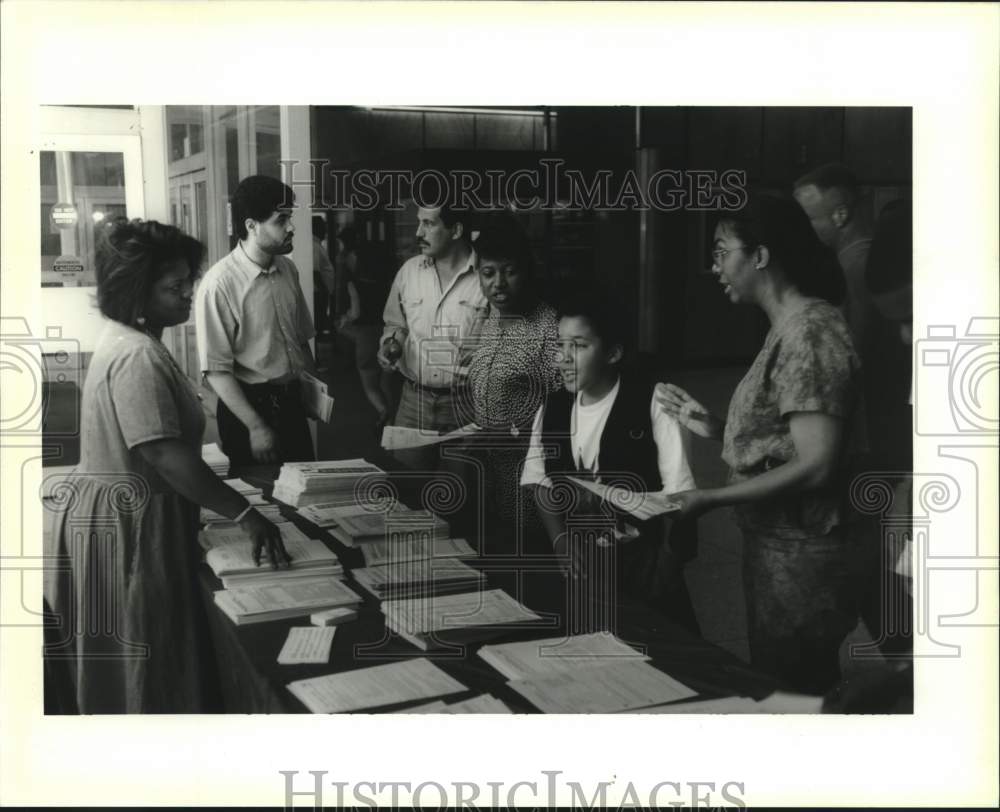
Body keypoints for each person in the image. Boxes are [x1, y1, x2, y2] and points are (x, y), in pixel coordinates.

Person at [44, 219, 290, 714]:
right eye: (173, 286)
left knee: (133, 652)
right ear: (137, 293)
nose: (187, 294)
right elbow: (165, 455)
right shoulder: (137, 355)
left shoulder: (131, 339)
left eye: (188, 281)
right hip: (130, 523)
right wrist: (246, 515)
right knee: (145, 647)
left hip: (118, 511)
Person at [656, 193, 863, 694]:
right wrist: (720, 425)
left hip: (801, 553)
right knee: (783, 682)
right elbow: (788, 438)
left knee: (792, 690)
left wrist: (709, 497)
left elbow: (815, 464)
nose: (715, 266)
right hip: (780, 548)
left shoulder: (810, 332)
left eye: (722, 251)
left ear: (761, 256)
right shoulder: (789, 328)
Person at [521, 288, 700, 634]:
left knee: (662, 652)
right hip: (581, 562)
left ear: (613, 352)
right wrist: (560, 540)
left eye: (580, 346)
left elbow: (682, 497)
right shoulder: (553, 406)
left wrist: (667, 565)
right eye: (560, 345)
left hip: (641, 563)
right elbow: (539, 479)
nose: (564, 358)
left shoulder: (654, 403)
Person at [450, 214, 562, 550]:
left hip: (529, 480)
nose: (498, 283)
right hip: (485, 476)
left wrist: (508, 431)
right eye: (488, 273)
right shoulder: (487, 319)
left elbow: (562, 412)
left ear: (526, 271)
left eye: (509, 272)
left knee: (526, 556)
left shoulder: (548, 327)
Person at [195, 175, 318, 475]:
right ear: (251, 226)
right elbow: (216, 370)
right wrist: (256, 427)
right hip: (248, 410)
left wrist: (311, 389)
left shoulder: (288, 269)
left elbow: (301, 339)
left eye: (290, 217)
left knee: (304, 488)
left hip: (290, 404)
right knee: (262, 498)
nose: (291, 227)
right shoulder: (219, 284)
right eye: (281, 220)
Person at [793, 163, 908, 470]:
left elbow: (858, 353)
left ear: (840, 215)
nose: (803, 229)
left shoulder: (856, 264)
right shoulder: (850, 260)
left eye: (807, 219)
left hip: (874, 417)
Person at [378, 203, 486, 470]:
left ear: (456, 229)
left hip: (466, 404)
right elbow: (395, 323)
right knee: (407, 493)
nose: (418, 232)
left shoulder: (487, 277)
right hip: (414, 402)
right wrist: (391, 344)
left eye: (428, 223)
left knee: (460, 497)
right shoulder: (409, 271)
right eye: (419, 222)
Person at [335, 225, 393, 428]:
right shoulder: (388, 283)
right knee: (387, 380)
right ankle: (392, 415)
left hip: (366, 334)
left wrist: (345, 320)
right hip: (388, 334)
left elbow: (356, 312)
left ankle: (383, 412)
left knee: (370, 383)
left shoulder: (354, 283)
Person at [311, 215, 336, 340]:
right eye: (323, 227)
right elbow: (314, 271)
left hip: (321, 293)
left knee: (321, 324)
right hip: (318, 294)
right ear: (315, 228)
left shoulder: (317, 244)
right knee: (318, 326)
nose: (325, 231)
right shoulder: (314, 246)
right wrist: (324, 291)